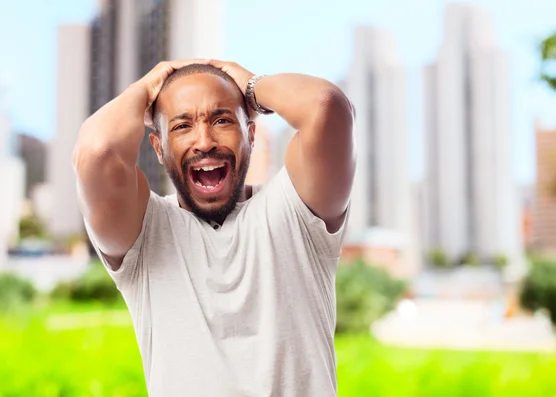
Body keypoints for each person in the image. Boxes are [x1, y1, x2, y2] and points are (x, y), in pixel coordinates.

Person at [73, 59, 355, 397]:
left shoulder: (298, 212)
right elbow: (97, 150)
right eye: (182, 126)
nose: (204, 141)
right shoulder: (144, 233)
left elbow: (326, 106)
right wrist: (146, 87)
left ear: (250, 134)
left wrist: (252, 86)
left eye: (221, 120)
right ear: (159, 149)